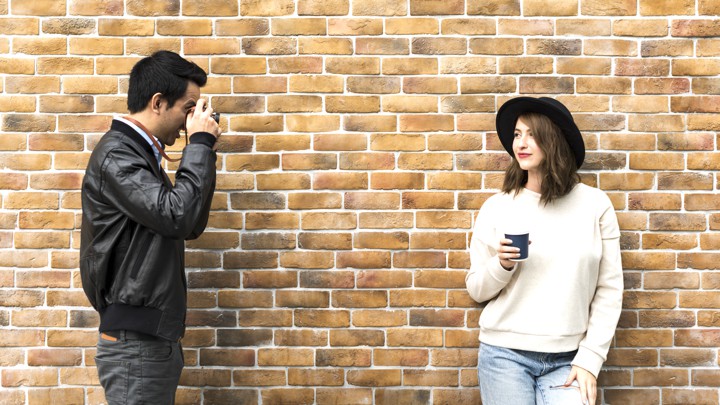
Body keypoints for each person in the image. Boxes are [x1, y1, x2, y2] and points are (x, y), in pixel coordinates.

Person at [80, 50, 221, 404]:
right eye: (189, 108)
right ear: (158, 103)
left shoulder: (138, 155)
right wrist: (200, 144)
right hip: (135, 342)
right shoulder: (119, 155)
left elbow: (188, 223)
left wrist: (202, 147)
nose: (191, 120)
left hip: (147, 340)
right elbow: (177, 215)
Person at [465, 97, 623, 405]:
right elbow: (476, 289)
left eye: (532, 134)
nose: (521, 143)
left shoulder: (595, 205)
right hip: (504, 355)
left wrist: (590, 358)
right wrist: (502, 265)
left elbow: (610, 289)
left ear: (553, 140)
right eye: (517, 134)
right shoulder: (497, 207)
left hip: (569, 358)